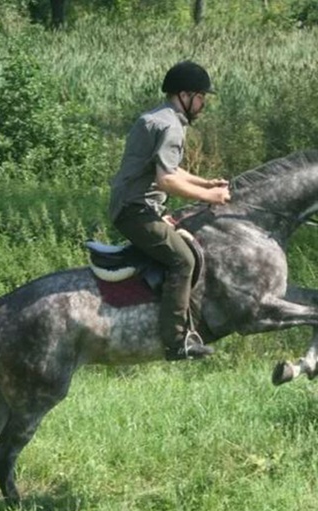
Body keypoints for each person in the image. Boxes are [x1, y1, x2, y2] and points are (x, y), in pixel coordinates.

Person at [108, 61, 231, 361]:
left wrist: (204, 181)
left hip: (134, 205)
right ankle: (176, 342)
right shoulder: (172, 126)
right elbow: (167, 180)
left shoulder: (157, 117)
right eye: (202, 97)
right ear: (186, 95)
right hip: (136, 211)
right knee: (183, 260)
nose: (203, 104)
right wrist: (209, 195)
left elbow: (169, 168)